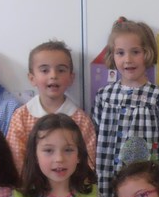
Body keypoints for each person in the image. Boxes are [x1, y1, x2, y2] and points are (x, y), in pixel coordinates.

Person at [90, 18, 159, 197]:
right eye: (120, 53)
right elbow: (93, 139)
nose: (127, 59)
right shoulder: (104, 96)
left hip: (144, 190)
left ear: (147, 53)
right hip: (107, 186)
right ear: (113, 55)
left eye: (135, 52)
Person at [6, 40, 97, 173]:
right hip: (32, 184)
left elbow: (88, 161)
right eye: (45, 70)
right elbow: (16, 159)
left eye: (61, 70)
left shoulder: (81, 120)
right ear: (32, 78)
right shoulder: (21, 117)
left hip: (70, 184)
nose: (53, 76)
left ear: (71, 78)